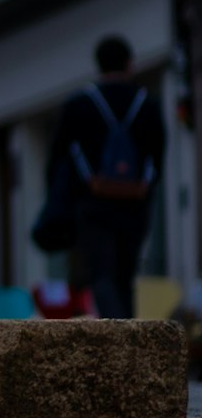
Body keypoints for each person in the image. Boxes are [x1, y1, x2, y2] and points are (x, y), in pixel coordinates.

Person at [46, 35, 166, 319]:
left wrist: (63, 202)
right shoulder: (147, 103)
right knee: (126, 274)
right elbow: (158, 154)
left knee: (102, 273)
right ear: (129, 64)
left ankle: (120, 336)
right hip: (134, 204)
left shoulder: (80, 104)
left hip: (93, 205)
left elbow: (58, 158)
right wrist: (144, 190)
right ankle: (130, 336)